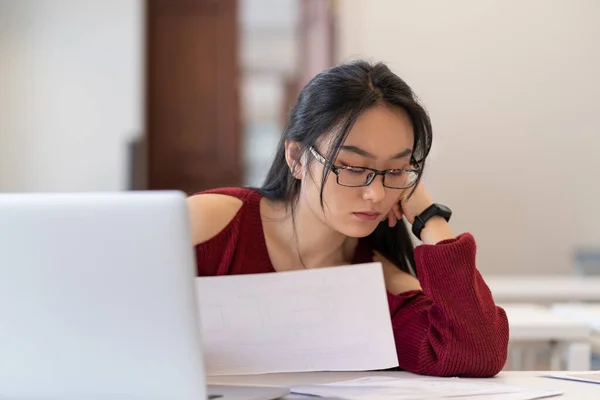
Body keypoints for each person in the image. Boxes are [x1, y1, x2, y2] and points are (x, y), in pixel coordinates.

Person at [188, 60, 509, 377]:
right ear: (296, 158)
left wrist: (428, 216)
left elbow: (478, 352)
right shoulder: (208, 225)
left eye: (396, 170)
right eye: (354, 167)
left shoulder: (379, 284)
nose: (377, 194)